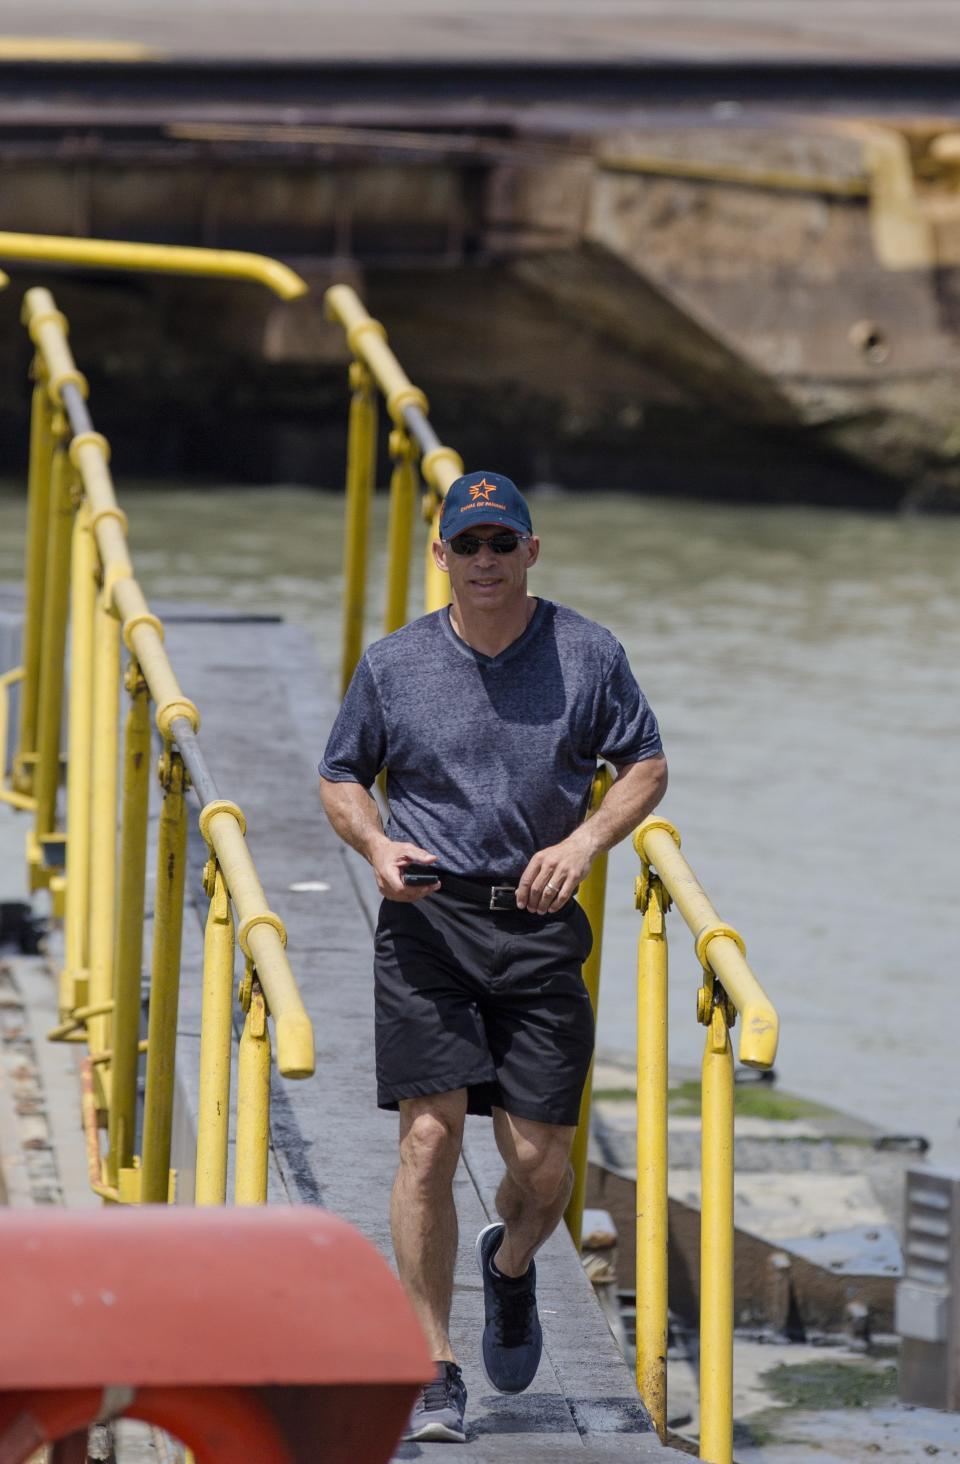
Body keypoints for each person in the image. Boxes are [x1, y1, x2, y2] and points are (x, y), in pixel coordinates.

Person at [318, 471, 667, 1443]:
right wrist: (378, 845)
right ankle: (432, 1365)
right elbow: (340, 772)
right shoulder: (394, 665)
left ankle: (509, 1266)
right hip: (429, 920)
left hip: (541, 921)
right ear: (440, 556)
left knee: (540, 1165)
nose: (484, 562)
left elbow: (645, 760)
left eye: (499, 544)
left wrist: (589, 841)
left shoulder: (587, 655)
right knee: (429, 1138)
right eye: (465, 545)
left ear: (531, 551)